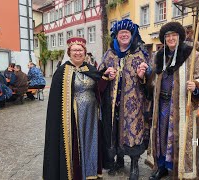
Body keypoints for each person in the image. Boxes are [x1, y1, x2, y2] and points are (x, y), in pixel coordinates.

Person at [142, 22, 199, 180]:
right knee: (161, 137)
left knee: (180, 139)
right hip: (162, 106)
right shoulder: (159, 56)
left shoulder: (193, 55)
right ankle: (161, 167)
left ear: (180, 37)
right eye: (167, 36)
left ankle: (179, 170)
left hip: (182, 107)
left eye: (173, 35)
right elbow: (152, 80)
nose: (170, 38)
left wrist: (196, 86)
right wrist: (145, 74)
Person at [43, 37, 106, 180]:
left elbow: (99, 89)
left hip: (90, 116)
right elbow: (56, 101)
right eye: (74, 50)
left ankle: (90, 172)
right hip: (72, 117)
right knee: (75, 145)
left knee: (90, 142)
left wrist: (106, 78)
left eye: (80, 50)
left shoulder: (90, 69)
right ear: (69, 52)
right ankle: (75, 174)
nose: (78, 53)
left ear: (85, 53)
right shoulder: (61, 72)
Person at [98, 19, 150, 180]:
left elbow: (151, 76)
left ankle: (134, 165)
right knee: (115, 131)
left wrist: (143, 76)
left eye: (127, 33)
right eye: (121, 33)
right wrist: (106, 73)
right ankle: (118, 160)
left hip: (133, 104)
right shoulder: (109, 53)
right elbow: (100, 71)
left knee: (132, 133)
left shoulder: (140, 53)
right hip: (113, 103)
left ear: (132, 34)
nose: (124, 36)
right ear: (117, 36)